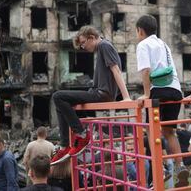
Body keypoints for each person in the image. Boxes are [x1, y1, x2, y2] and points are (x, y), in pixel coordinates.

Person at [51, 25, 131, 165]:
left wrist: (126, 97)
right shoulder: (102, 47)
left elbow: (116, 70)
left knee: (58, 96)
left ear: (92, 38)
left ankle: (81, 135)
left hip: (101, 94)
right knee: (61, 102)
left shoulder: (104, 46)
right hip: (97, 91)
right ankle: (64, 146)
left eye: (83, 43)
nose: (83, 47)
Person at [135, 15, 189, 184]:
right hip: (175, 90)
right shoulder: (163, 44)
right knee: (169, 131)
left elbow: (145, 70)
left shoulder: (143, 44)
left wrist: (146, 94)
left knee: (151, 130)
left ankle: (163, 166)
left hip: (158, 92)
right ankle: (180, 166)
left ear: (140, 31)